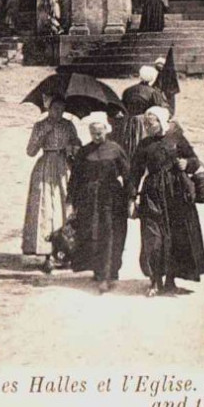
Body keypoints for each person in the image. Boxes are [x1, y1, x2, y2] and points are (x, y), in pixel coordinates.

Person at [129, 107, 204, 297]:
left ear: (162, 122)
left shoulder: (176, 139)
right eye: (146, 123)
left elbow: (195, 160)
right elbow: (135, 173)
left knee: (174, 237)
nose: (148, 126)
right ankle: (155, 280)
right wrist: (132, 199)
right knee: (153, 237)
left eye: (152, 122)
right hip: (152, 193)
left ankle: (170, 280)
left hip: (176, 194)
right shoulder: (144, 145)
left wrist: (187, 164)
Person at [67, 114, 130, 294]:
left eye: (99, 132)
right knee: (92, 233)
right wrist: (71, 199)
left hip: (111, 198)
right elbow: (76, 177)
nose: (96, 135)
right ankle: (98, 269)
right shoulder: (84, 151)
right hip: (89, 198)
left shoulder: (116, 149)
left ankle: (108, 274)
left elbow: (127, 175)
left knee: (111, 234)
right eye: (93, 132)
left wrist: (131, 197)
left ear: (106, 131)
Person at [22, 100, 81, 274]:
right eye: (55, 109)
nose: (59, 112)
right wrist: (44, 133)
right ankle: (45, 251)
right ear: (48, 108)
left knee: (64, 207)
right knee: (44, 206)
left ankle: (64, 251)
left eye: (62, 109)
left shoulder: (68, 125)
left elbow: (78, 146)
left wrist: (73, 147)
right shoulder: (40, 125)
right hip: (45, 166)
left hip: (63, 166)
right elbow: (30, 151)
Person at [115, 66, 169, 160]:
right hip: (144, 122)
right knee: (143, 144)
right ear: (152, 78)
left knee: (128, 144)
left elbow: (122, 106)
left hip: (127, 121)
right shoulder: (153, 92)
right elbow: (160, 109)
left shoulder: (128, 90)